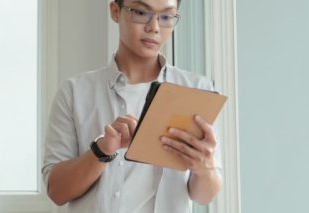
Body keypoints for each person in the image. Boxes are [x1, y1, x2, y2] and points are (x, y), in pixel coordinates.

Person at [42, 0, 222, 212]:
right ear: (115, 11)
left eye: (166, 17)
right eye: (141, 12)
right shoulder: (75, 92)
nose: (154, 27)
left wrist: (204, 168)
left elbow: (204, 196)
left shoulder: (198, 90)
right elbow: (57, 191)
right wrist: (101, 151)